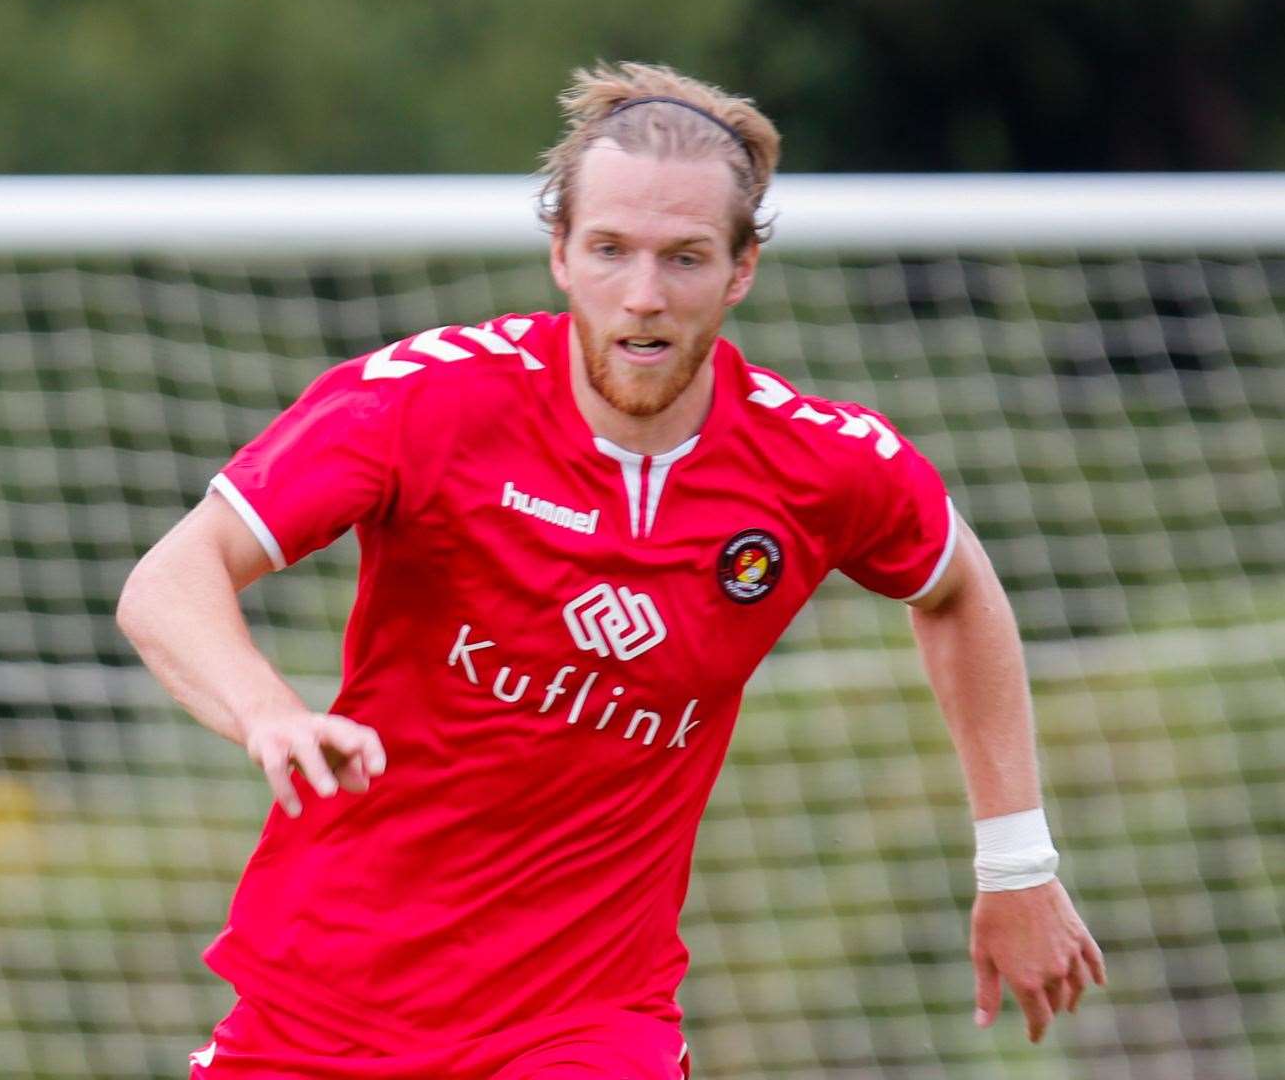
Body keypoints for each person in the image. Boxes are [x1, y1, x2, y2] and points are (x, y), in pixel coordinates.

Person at [118, 61, 1105, 1080]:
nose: (643, 296)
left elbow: (958, 590)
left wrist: (1018, 862)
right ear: (560, 254)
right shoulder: (426, 402)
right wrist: (267, 711)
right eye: (610, 250)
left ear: (741, 268)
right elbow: (169, 581)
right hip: (326, 997)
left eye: (684, 257)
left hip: (587, 1022)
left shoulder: (821, 463)